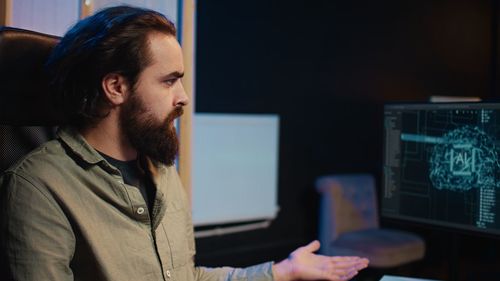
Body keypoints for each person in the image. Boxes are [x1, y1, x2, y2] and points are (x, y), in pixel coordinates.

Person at [0, 5, 369, 281]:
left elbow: (184, 277)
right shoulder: (37, 188)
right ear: (116, 87)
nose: (184, 97)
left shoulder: (158, 169)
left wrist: (282, 271)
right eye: (168, 81)